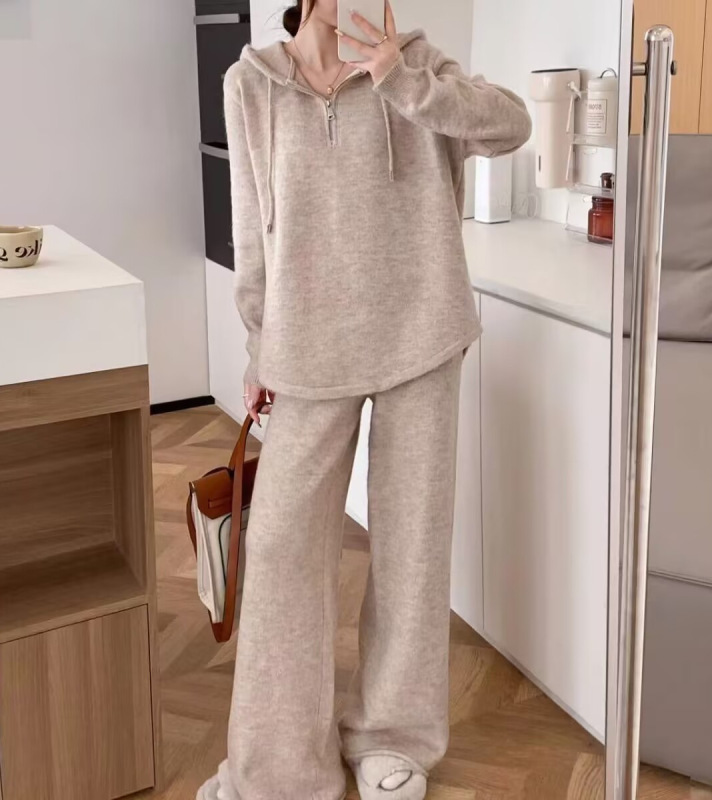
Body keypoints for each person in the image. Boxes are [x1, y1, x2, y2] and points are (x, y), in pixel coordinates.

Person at [199, 1, 530, 797]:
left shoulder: (416, 63)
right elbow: (252, 226)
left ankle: (394, 738)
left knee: (413, 549)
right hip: (307, 346)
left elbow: (510, 126)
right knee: (281, 553)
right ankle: (278, 766)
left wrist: (400, 79)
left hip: (422, 332)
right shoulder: (252, 82)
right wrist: (258, 341)